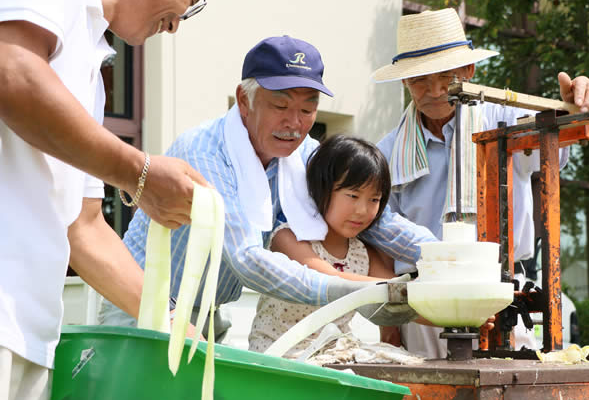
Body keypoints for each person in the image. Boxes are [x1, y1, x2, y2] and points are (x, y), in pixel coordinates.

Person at [0, 0, 226, 400]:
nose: (180, 21)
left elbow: (83, 229)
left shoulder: (90, 66)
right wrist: (138, 173)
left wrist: (179, 328)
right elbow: (12, 72)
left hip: (31, 337)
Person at [99, 35, 437, 340]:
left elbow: (379, 222)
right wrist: (360, 290)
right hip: (142, 307)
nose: (294, 123)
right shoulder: (205, 153)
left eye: (307, 109)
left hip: (211, 314)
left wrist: (451, 261)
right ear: (244, 101)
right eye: (280, 106)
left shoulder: (306, 156)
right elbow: (246, 259)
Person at [372, 8, 589, 359]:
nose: (435, 90)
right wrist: (388, 323)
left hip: (510, 292)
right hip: (425, 304)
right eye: (420, 79)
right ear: (405, 81)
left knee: (518, 399)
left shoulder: (503, 117)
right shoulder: (386, 153)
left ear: (469, 71)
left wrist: (580, 106)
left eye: (446, 76)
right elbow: (377, 240)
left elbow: (555, 147)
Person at [248, 134, 399, 356]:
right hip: (278, 359)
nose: (362, 210)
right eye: (352, 195)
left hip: (333, 360)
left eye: (374, 200)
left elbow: (397, 300)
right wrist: (401, 289)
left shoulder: (363, 254)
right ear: (322, 189)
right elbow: (329, 278)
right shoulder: (289, 238)